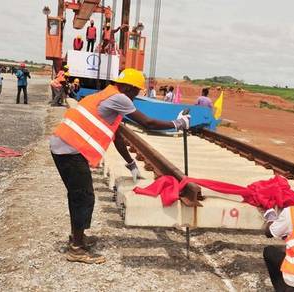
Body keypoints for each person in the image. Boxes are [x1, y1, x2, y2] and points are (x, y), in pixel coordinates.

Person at [49, 68, 191, 264]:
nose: (135, 96)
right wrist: (178, 124)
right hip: (70, 149)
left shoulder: (108, 95)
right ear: (128, 87)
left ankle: (78, 238)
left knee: (79, 195)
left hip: (65, 146)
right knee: (83, 197)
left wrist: (131, 163)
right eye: (135, 91)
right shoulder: (120, 98)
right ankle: (76, 248)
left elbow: (117, 137)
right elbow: (147, 123)